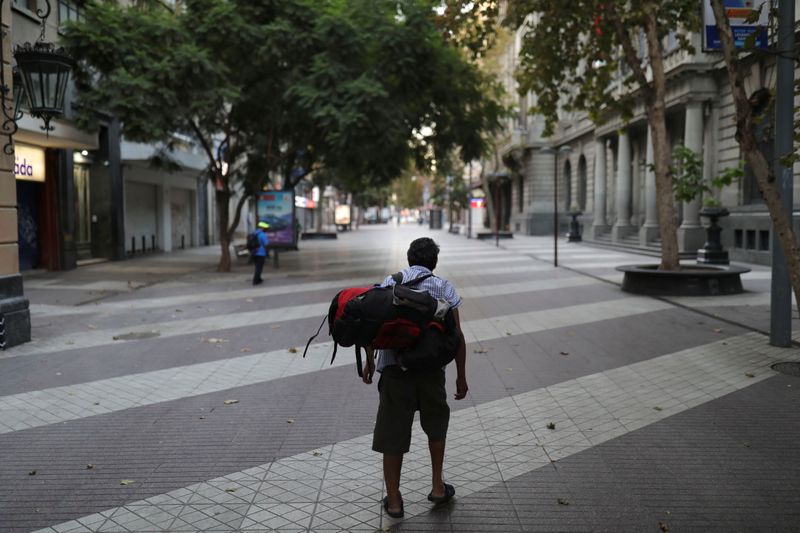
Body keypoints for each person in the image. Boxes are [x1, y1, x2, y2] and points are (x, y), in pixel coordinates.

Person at [362, 237, 468, 519]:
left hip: (395, 372)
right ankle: (436, 486)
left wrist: (370, 361)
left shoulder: (390, 283)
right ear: (434, 262)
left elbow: (372, 325)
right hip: (432, 372)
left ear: (409, 259)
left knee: (392, 432)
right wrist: (461, 377)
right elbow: (456, 336)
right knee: (436, 425)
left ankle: (395, 501)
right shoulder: (444, 287)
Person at [252, 221, 270, 285]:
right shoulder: (262, 234)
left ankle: (259, 278)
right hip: (261, 253)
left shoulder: (255, 233)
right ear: (262, 228)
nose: (266, 229)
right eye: (265, 228)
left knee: (257, 266)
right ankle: (256, 280)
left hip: (254, 253)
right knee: (259, 268)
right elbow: (266, 243)